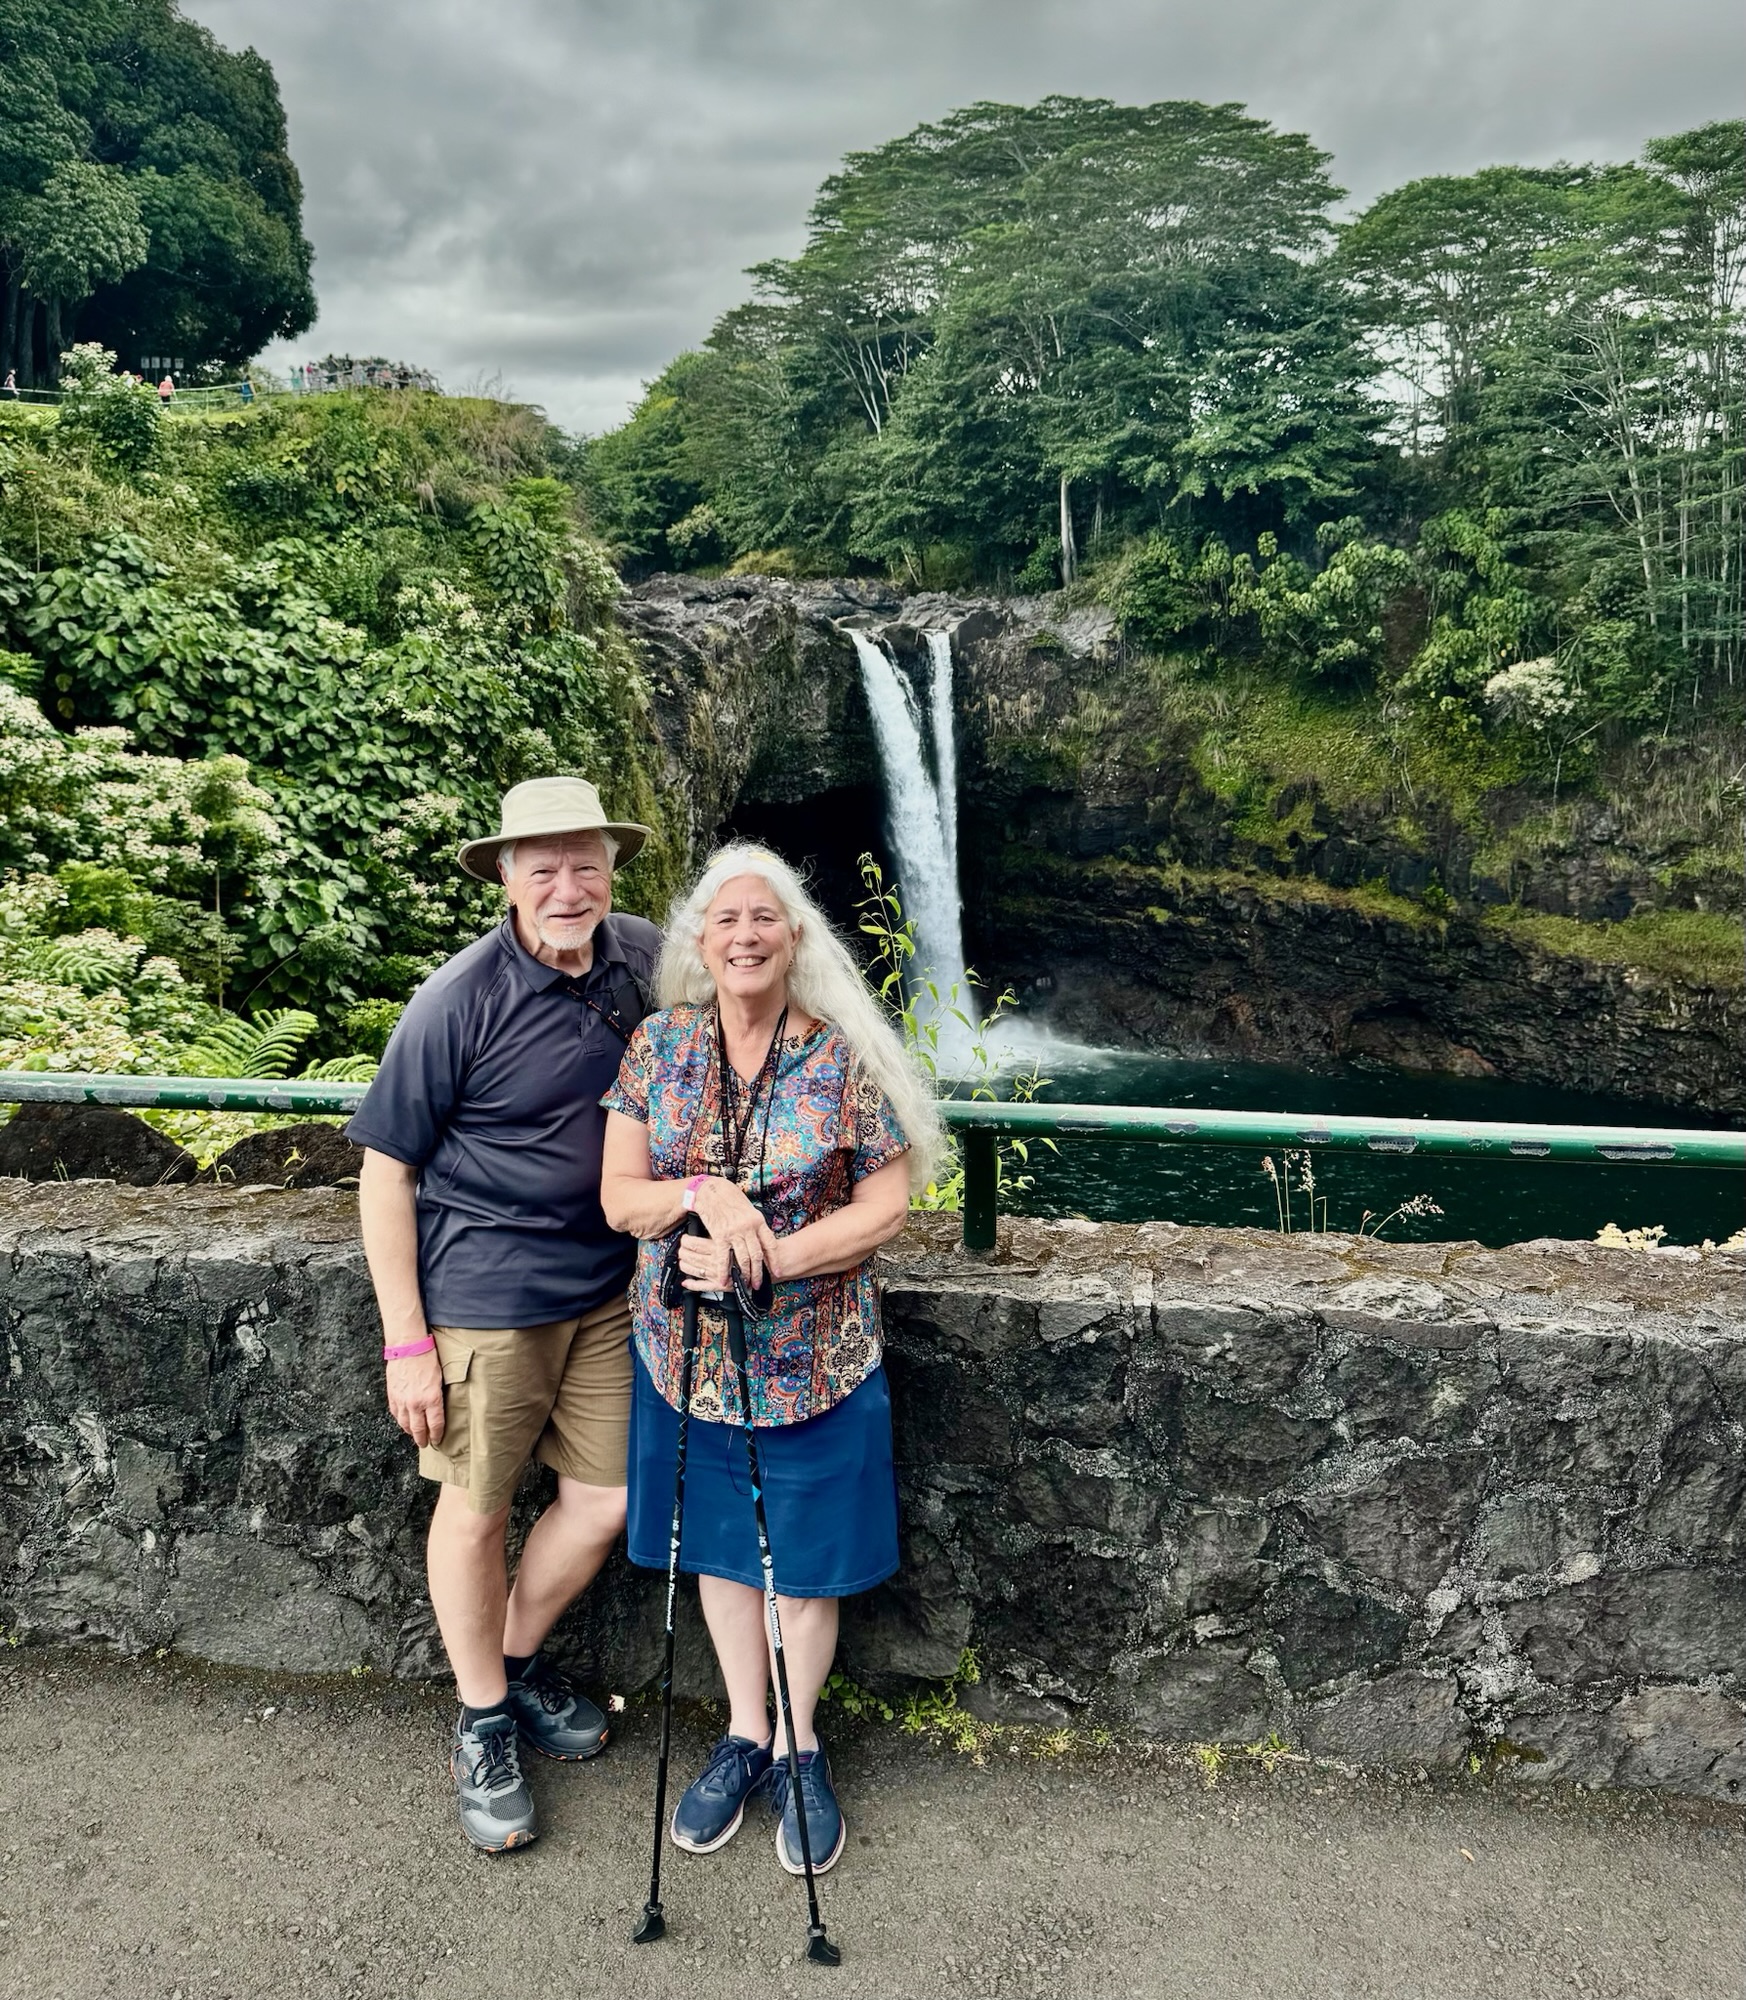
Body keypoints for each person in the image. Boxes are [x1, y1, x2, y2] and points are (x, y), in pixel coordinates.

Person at [600, 842, 943, 1878]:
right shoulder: (658, 1046)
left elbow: (887, 1204)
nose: (744, 935)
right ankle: (744, 1732)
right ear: (699, 941)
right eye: (726, 918)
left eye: (764, 918)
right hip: (687, 1357)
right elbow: (620, 1197)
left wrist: (771, 1256)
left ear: (795, 937)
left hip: (815, 1360)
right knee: (719, 1551)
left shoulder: (839, 1059)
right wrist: (704, 1195)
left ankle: (800, 1745)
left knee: (801, 1565)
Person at [347, 775, 659, 1853]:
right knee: (476, 1507)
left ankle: (511, 1663)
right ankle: (481, 1718)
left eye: (586, 865)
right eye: (546, 868)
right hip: (485, 1296)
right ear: (508, 877)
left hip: (608, 1289)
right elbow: (386, 1174)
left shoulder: (644, 958)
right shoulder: (457, 998)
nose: (569, 888)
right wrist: (406, 1341)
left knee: (609, 1499)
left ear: (610, 871)